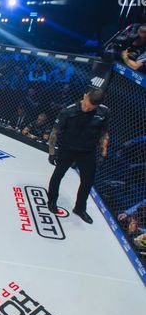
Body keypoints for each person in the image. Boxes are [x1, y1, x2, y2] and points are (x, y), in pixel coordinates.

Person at [47, 88, 110, 224]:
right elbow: (54, 132)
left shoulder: (104, 112)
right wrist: (52, 152)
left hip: (88, 151)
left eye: (91, 108)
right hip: (67, 149)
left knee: (87, 181)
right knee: (58, 175)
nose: (87, 109)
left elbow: (104, 132)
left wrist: (103, 151)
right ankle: (52, 200)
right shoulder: (68, 111)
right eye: (86, 105)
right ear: (85, 96)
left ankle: (80, 208)